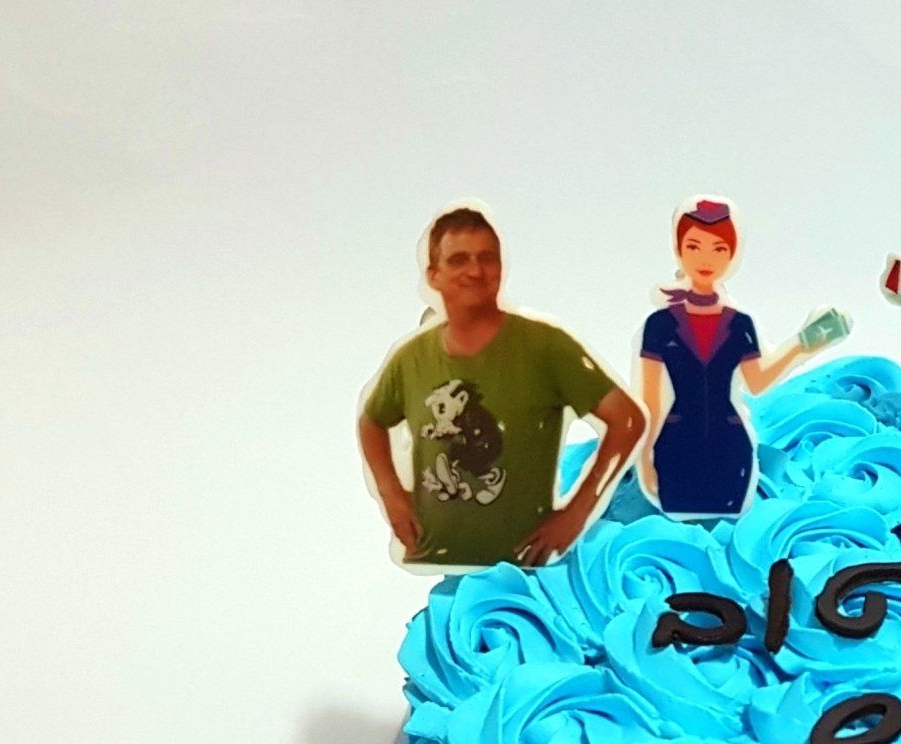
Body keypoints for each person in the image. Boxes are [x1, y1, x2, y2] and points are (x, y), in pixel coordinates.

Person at [359, 206, 645, 569]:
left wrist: (577, 513)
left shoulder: (545, 346)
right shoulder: (411, 357)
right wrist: (391, 493)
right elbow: (372, 421)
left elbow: (627, 420)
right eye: (458, 260)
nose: (475, 271)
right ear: (433, 275)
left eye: (486, 258)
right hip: (436, 554)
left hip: (525, 561)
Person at [637, 198, 849, 518]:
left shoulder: (739, 324)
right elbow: (650, 400)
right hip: (676, 448)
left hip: (729, 450)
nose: (705, 259)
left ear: (732, 255)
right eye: (694, 246)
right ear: (678, 249)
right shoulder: (659, 325)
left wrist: (804, 345)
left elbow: (757, 382)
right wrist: (644, 458)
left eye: (719, 249)